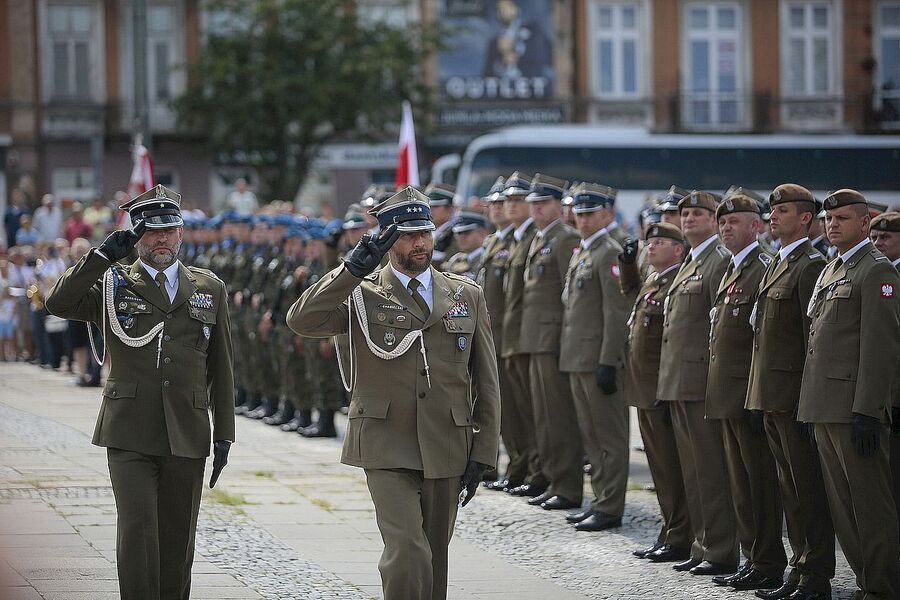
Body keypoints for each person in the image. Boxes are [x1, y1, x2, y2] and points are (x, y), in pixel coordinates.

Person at [287, 186, 500, 600]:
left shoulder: (465, 294)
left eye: (425, 233)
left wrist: (484, 451)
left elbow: (486, 381)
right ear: (386, 240)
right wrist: (350, 270)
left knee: (434, 559)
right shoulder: (362, 292)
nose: (420, 243)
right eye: (408, 235)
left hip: (446, 441)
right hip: (386, 443)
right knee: (407, 551)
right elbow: (302, 320)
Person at [45, 184, 235, 600]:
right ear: (135, 236)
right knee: (137, 531)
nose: (161, 239)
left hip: (186, 430)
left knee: (178, 538)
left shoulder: (209, 288)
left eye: (169, 230)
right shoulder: (112, 283)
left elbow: (221, 367)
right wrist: (100, 257)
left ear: (181, 232)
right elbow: (57, 302)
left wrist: (225, 433)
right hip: (129, 429)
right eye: (151, 231)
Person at [797, 189, 900, 600]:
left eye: (841, 218)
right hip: (824, 405)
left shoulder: (876, 271)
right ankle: (866, 582)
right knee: (843, 509)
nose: (832, 225)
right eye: (828, 219)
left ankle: (883, 587)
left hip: (853, 408)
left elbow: (880, 347)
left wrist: (868, 410)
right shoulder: (833, 268)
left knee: (870, 507)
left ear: (864, 222)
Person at [746, 183, 833, 600]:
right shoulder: (778, 262)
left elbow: (810, 340)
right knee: (790, 490)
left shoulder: (809, 266)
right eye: (772, 211)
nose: (774, 217)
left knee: (806, 490)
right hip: (771, 395)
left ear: (805, 218)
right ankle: (798, 569)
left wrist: (804, 402)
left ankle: (815, 575)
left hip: (793, 397)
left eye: (783, 211)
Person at [704, 194, 785, 592]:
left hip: (747, 395)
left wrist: (756, 396)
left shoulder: (762, 267)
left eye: (734, 221)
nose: (726, 227)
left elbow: (762, 339)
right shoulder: (733, 268)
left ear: (756, 226)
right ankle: (752, 557)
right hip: (727, 393)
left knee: (760, 485)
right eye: (722, 221)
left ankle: (767, 561)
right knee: (741, 485)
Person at [656, 190, 737, 576]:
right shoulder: (692, 259)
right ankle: (702, 543)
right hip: (679, 380)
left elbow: (719, 326)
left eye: (698, 214)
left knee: (710, 470)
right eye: (685, 213)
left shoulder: (717, 260)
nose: (688, 219)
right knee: (692, 471)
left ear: (713, 220)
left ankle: (720, 548)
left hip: (701, 381)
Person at [619, 222, 693, 563]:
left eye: (660, 242)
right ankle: (670, 531)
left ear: (678, 249)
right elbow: (632, 295)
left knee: (671, 468)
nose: (651, 247)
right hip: (644, 387)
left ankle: (679, 535)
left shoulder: (677, 281)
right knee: (660, 469)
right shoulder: (654, 279)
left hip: (660, 388)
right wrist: (628, 265)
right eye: (650, 242)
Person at [559, 182, 630, 531]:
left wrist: (608, 361)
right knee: (591, 436)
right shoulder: (584, 251)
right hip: (577, 356)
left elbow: (615, 314)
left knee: (608, 437)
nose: (583, 220)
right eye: (580, 213)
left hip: (597, 358)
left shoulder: (609, 252)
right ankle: (600, 499)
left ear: (606, 215)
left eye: (590, 213)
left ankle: (610, 505)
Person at [520, 173, 584, 511]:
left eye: (543, 203)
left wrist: (565, 339)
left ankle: (568, 485)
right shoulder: (540, 238)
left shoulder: (565, 238)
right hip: (536, 337)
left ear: (559, 206)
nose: (536, 209)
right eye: (533, 204)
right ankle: (552, 478)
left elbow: (568, 294)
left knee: (559, 417)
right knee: (543, 417)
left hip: (553, 339)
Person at [498, 172, 549, 498]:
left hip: (526, 337)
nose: (511, 205)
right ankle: (524, 467)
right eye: (509, 200)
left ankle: (537, 470)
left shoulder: (533, 238)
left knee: (533, 412)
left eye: (519, 200)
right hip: (510, 337)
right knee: (515, 412)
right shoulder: (516, 239)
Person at [441, 212, 490, 280]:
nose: (461, 237)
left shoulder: (489, 259)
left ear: (482, 233)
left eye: (467, 232)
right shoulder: (455, 260)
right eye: (458, 233)